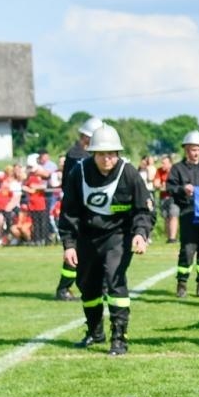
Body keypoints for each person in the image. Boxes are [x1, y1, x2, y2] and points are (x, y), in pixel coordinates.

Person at [59, 123, 155, 356]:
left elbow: (144, 209)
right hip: (87, 236)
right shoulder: (78, 172)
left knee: (115, 279)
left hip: (119, 236)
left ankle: (119, 336)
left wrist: (141, 234)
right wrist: (69, 245)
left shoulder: (129, 173)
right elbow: (69, 211)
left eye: (111, 154)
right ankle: (95, 331)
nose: (107, 159)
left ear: (118, 154)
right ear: (92, 153)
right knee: (87, 285)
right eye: (101, 154)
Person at [167, 130, 199, 298]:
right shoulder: (177, 169)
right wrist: (183, 189)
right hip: (187, 214)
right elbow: (169, 188)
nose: (196, 152)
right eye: (192, 149)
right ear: (186, 150)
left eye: (198, 149)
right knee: (188, 250)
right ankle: (182, 284)